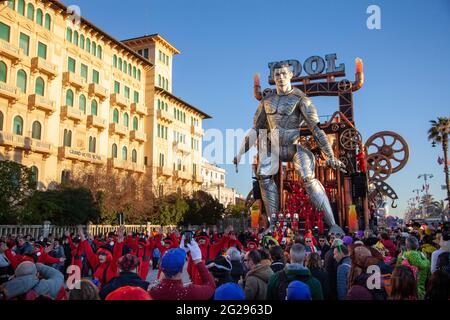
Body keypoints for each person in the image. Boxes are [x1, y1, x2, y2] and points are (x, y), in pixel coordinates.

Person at [234, 62, 345, 235]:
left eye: (283, 73)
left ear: (291, 75)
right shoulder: (267, 101)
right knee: (262, 174)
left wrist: (330, 155)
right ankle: (273, 224)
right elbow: (255, 130)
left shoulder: (301, 99)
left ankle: (333, 225)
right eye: (277, 74)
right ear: (273, 77)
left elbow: (316, 129)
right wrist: (240, 152)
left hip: (293, 148)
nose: (280, 77)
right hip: (274, 149)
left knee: (308, 177)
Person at [149, 238, 215, 300]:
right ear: (182, 268)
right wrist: (198, 261)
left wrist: (179, 251)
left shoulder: (153, 290)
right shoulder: (190, 292)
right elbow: (211, 286)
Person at [0, 261, 64, 300]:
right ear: (37, 274)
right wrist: (37, 265)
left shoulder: (4, 287)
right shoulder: (43, 288)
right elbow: (59, 276)